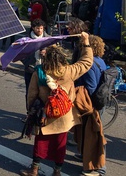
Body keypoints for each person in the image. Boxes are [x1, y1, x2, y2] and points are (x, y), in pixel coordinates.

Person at [20, 33, 93, 176]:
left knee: (41, 142)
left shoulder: (39, 72)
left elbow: (32, 95)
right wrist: (86, 42)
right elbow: (87, 62)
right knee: (60, 144)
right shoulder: (69, 71)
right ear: (62, 57)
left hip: (45, 115)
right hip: (63, 115)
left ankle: (34, 170)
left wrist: (30, 111)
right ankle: (57, 172)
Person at [74, 35, 107, 175]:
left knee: (93, 136)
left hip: (90, 103)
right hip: (99, 101)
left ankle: (98, 168)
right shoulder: (100, 61)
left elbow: (91, 87)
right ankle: (85, 155)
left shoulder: (90, 63)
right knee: (90, 133)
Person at [21, 19, 49, 104]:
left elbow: (54, 53)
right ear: (33, 28)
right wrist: (28, 64)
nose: (40, 30)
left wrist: (47, 53)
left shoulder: (48, 39)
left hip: (44, 70)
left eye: (41, 28)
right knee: (30, 93)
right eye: (37, 28)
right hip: (31, 70)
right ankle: (29, 112)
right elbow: (20, 54)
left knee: (44, 92)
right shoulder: (26, 40)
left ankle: (42, 113)